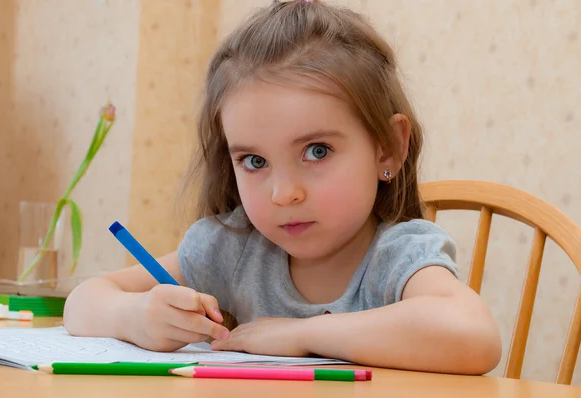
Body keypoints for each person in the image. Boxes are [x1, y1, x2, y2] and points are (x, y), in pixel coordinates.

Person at [64, 0, 501, 375]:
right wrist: (136, 315)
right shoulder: (233, 249)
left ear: (387, 148)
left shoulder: (398, 256)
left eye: (317, 151)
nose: (283, 193)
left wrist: (301, 334)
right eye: (254, 161)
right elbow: (83, 301)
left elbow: (473, 335)